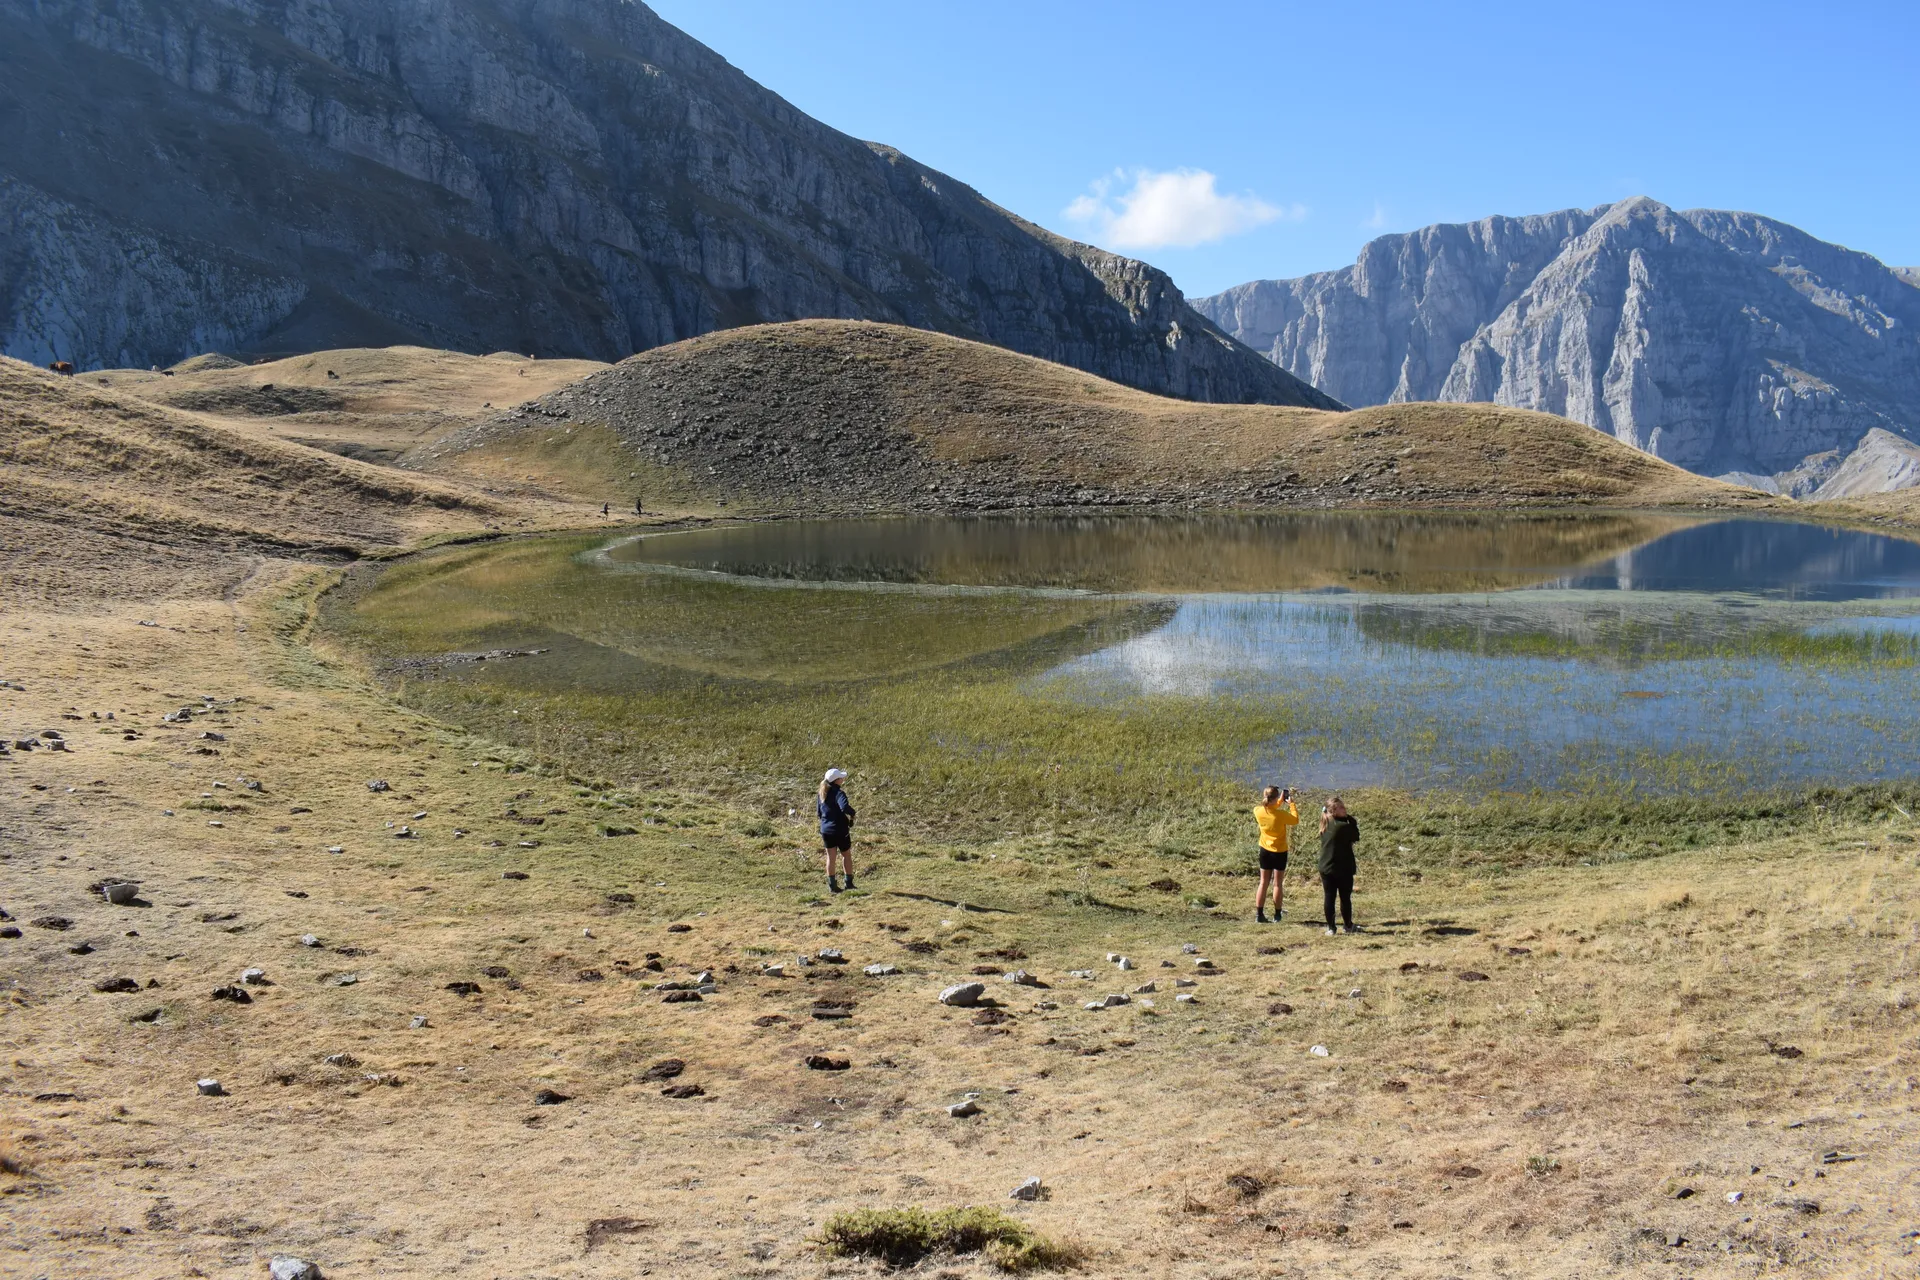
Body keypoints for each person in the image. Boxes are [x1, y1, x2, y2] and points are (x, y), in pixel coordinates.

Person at [1252, 785, 1298, 923]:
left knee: (1263, 882)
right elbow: (1295, 820)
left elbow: (1271, 809)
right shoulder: (1281, 815)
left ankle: (1259, 915)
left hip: (1265, 851)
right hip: (1279, 852)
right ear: (1275, 797)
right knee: (1277, 884)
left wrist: (1278, 801)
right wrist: (1292, 804)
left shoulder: (1258, 811)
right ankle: (1277, 915)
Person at [1318, 796, 1360, 935]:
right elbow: (1356, 836)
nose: (1345, 809)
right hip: (1342, 868)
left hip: (1325, 866)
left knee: (1329, 897)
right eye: (1342, 807)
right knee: (1345, 897)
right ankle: (1348, 925)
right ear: (1334, 811)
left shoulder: (1325, 822)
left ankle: (1331, 928)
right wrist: (1353, 822)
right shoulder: (1343, 826)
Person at [817, 767, 857, 893]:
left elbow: (819, 813)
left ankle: (832, 886)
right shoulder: (839, 793)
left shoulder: (821, 793)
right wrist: (852, 813)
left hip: (826, 830)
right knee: (846, 855)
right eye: (841, 777)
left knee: (831, 857)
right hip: (839, 829)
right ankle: (848, 883)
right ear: (837, 780)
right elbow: (844, 807)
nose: (843, 779)